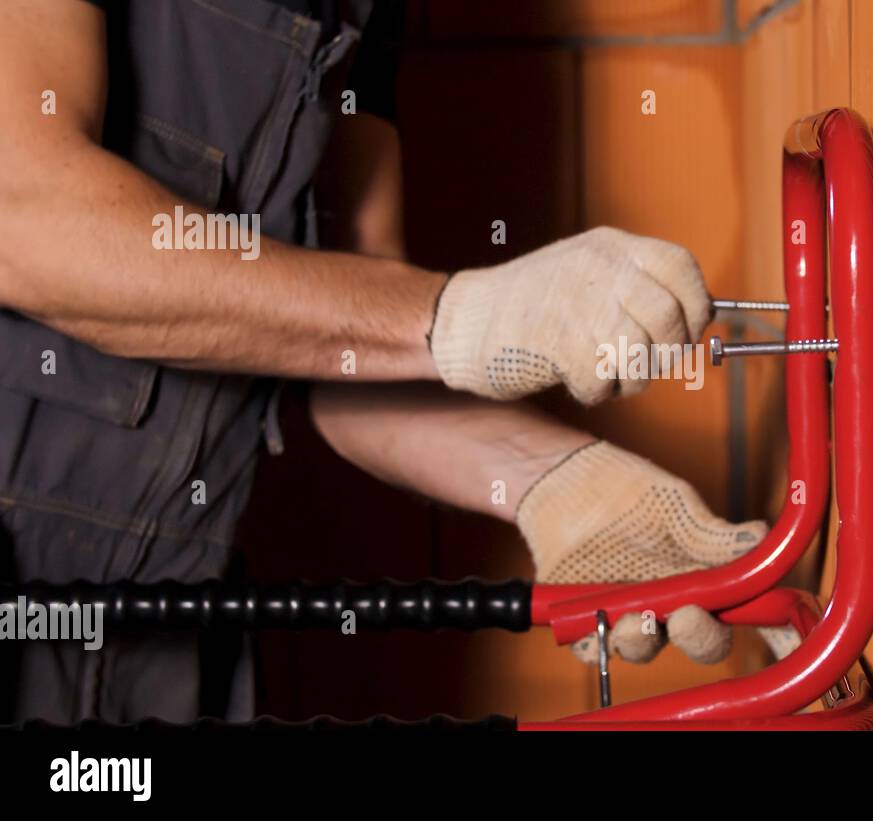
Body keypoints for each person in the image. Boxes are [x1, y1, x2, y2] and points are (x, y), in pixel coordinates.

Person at [0, 0, 771, 724]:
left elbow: (350, 353)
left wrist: (562, 481)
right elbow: (27, 216)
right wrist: (454, 312)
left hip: (173, 629)